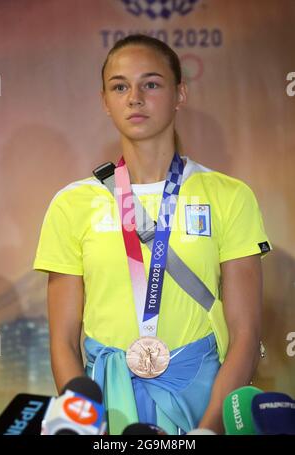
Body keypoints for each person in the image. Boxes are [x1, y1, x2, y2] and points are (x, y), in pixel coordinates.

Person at [33, 34, 272, 435]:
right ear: (105, 101)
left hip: (203, 401)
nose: (135, 98)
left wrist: (209, 431)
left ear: (180, 93)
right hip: (108, 404)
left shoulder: (229, 196)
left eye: (151, 83)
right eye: (120, 86)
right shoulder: (71, 203)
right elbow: (63, 340)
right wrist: (90, 427)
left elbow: (246, 332)